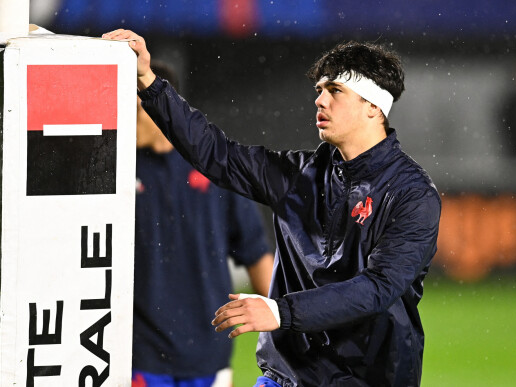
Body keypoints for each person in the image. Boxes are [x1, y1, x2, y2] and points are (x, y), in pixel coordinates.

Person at [103, 29, 441, 387]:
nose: (320, 101)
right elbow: (218, 155)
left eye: (335, 91)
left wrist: (280, 310)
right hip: (288, 376)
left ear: (374, 106)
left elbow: (377, 288)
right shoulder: (300, 176)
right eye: (319, 90)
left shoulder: (413, 195)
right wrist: (148, 81)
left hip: (369, 378)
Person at [132, 60, 274, 387]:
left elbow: (254, 252)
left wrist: (288, 324)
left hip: (209, 351)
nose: (127, 118)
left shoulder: (213, 165)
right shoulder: (116, 170)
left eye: (135, 109)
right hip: (141, 352)